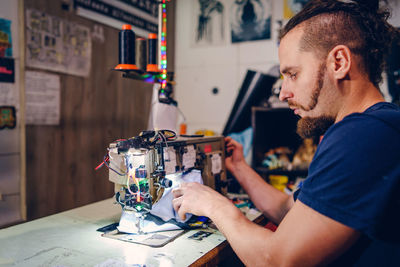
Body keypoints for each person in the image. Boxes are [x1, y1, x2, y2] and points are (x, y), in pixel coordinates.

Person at [172, 0, 400, 265]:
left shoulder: (364, 134)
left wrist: (213, 205)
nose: (283, 93)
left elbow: (277, 260)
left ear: (339, 62)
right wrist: (240, 168)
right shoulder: (376, 126)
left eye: (292, 74)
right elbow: (289, 210)